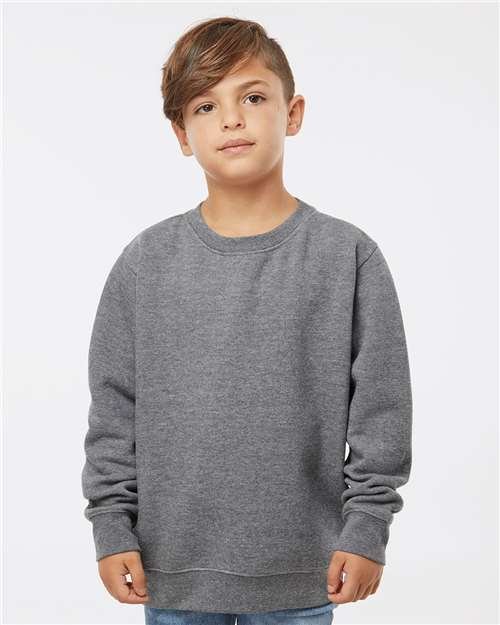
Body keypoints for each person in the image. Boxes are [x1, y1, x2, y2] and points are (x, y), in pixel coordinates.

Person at [81, 16, 413, 625]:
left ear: (293, 113)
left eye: (253, 97)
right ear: (182, 133)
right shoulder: (145, 263)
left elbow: (381, 407)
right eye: (206, 106)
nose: (231, 119)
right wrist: (111, 524)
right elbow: (114, 409)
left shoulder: (347, 256)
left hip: (305, 571)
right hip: (171, 571)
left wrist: (368, 525)